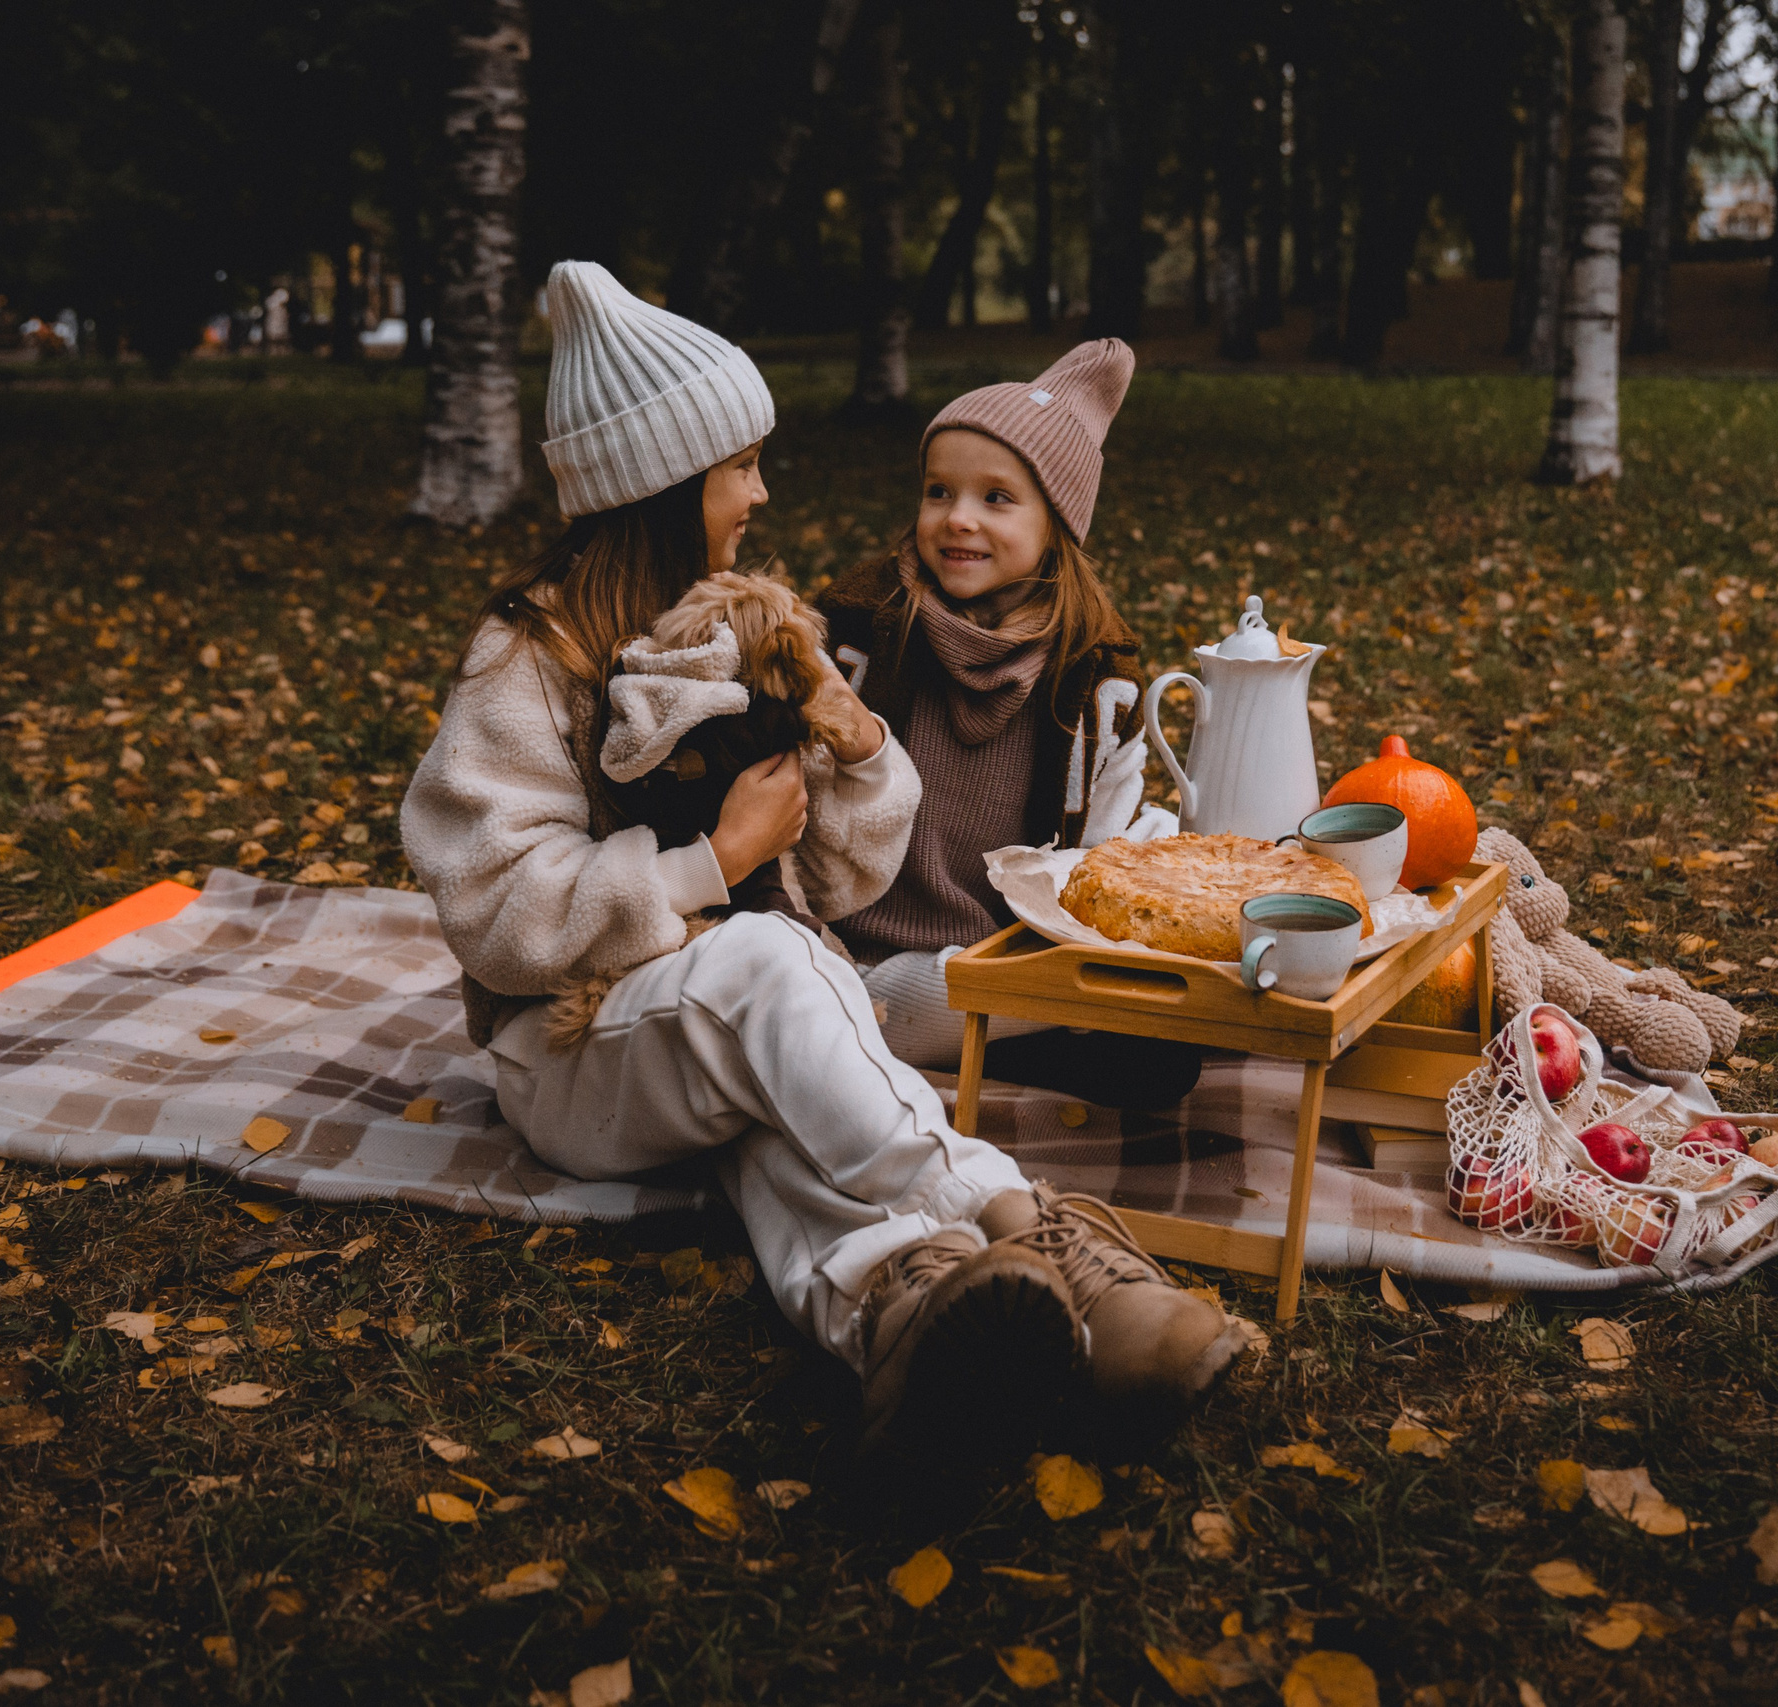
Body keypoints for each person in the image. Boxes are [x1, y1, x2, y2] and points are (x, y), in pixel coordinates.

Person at [400, 263, 1245, 1467]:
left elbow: (845, 883)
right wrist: (707, 862)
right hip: (572, 1058)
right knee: (775, 968)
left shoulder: (733, 623)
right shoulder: (525, 660)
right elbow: (494, 912)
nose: (760, 490)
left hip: (706, 1043)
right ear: (664, 481)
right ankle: (1038, 1230)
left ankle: (904, 1314)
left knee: (791, 1090)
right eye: (740, 465)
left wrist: (852, 755)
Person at [822, 339, 1203, 1110]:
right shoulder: (859, 632)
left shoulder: (1098, 681)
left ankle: (963, 1044)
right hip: (851, 955)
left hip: (1010, 959)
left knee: (1168, 1056)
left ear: (1057, 523)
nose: (958, 518)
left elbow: (1099, 859)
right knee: (832, 1002)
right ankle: (891, 1039)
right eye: (938, 491)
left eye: (997, 498)